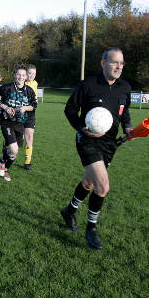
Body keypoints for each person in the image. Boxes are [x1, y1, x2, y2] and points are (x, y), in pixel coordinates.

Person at [61, 47, 132, 250]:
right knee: (103, 187)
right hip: (87, 140)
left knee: (89, 182)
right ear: (103, 63)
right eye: (114, 62)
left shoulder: (125, 87)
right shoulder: (88, 85)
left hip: (110, 144)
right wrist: (81, 127)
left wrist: (127, 126)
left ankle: (69, 211)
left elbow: (124, 112)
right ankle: (91, 228)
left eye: (121, 63)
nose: (118, 66)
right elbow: (70, 109)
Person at [0, 65, 37, 182]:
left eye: (23, 75)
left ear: (26, 76)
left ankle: (4, 167)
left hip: (20, 124)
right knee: (14, 149)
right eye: (18, 74)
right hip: (7, 122)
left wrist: (25, 108)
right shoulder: (7, 87)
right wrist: (5, 107)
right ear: (14, 75)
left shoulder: (29, 91)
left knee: (13, 154)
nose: (21, 77)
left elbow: (34, 105)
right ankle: (2, 163)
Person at [23, 64, 38, 170]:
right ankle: (7, 152)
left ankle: (27, 162)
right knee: (17, 141)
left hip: (30, 113)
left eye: (34, 73)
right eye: (30, 73)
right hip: (19, 113)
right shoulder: (20, 83)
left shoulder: (35, 83)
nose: (32, 75)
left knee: (29, 136)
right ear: (25, 73)